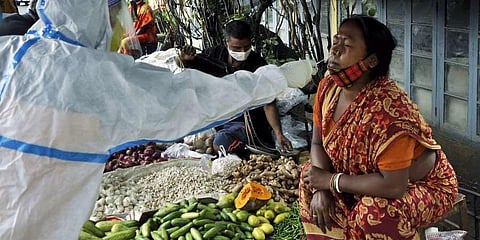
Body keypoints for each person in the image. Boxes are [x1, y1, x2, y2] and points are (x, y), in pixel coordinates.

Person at [0, 1, 315, 239]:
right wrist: (276, 78)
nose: (118, 29)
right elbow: (187, 98)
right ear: (92, 16)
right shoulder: (87, 75)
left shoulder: (9, 50)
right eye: (114, 17)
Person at [299, 15, 458, 239]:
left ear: (371, 61)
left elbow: (394, 187)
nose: (335, 51)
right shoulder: (328, 88)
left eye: (346, 45)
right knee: (308, 176)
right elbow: (317, 143)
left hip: (420, 186)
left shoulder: (390, 113)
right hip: (360, 180)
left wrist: (332, 181)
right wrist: (322, 186)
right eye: (336, 41)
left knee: (374, 211)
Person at [177, 19, 292, 157]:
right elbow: (190, 70)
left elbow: (268, 102)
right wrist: (185, 61)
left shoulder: (258, 64)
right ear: (227, 43)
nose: (243, 51)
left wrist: (279, 134)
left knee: (220, 144)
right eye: (237, 48)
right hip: (218, 117)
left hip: (245, 121)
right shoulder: (214, 55)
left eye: (246, 47)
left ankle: (242, 153)